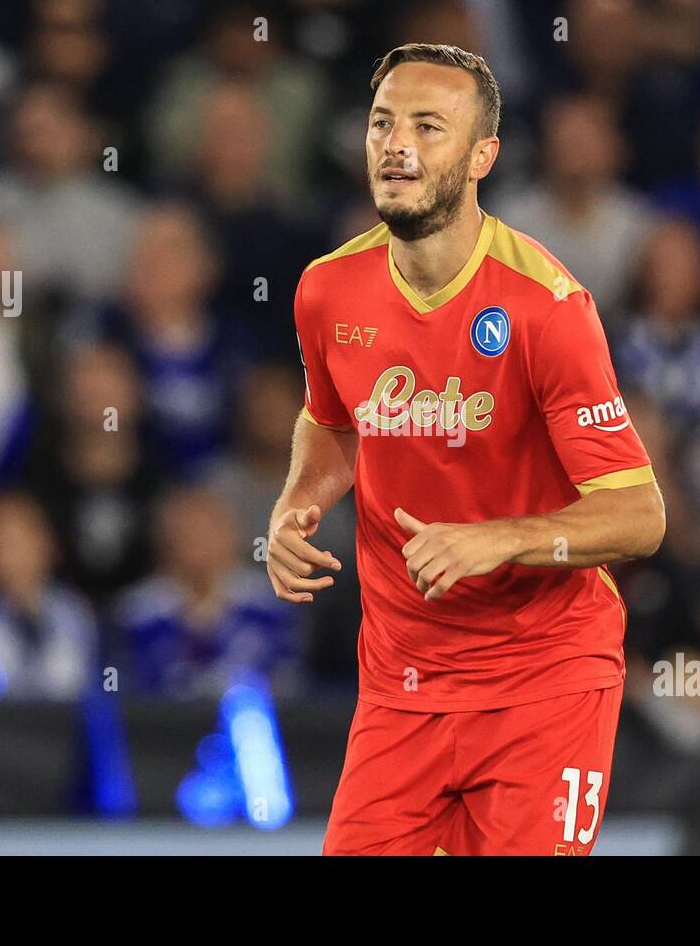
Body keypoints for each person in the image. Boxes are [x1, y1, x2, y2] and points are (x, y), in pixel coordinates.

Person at [266, 44, 666, 855]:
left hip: (542, 681)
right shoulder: (326, 289)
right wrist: (298, 500)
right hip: (400, 685)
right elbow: (333, 419)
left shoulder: (548, 309)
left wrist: (503, 536)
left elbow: (640, 515)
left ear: (484, 156)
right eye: (382, 123)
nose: (396, 145)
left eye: (426, 126)